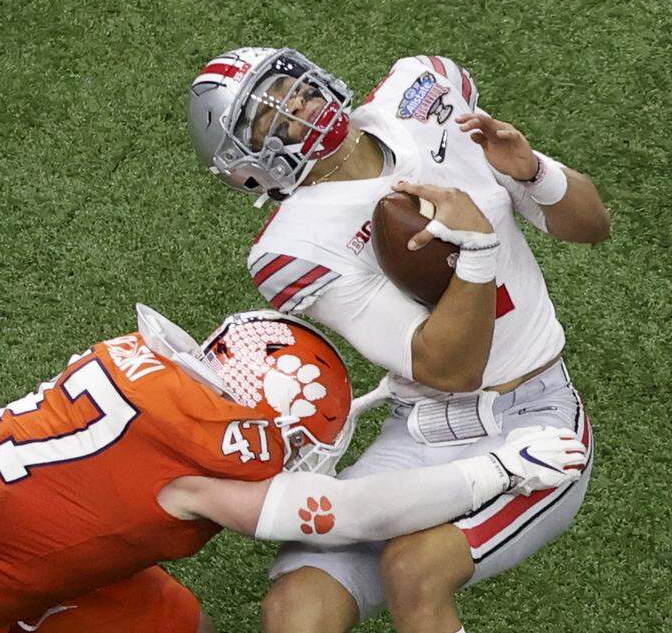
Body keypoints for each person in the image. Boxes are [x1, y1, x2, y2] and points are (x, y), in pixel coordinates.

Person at [0, 305, 587, 633]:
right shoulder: (203, 464)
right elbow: (356, 516)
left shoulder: (146, 364)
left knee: (168, 618)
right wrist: (494, 470)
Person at [188, 47, 611, 633]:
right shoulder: (292, 250)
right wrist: (478, 251)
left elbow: (593, 226)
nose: (296, 106)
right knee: (295, 606)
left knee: (413, 570)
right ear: (251, 165)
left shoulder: (423, 90)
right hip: (420, 423)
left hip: (534, 417)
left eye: (288, 87)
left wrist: (531, 170)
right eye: (269, 117)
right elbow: (446, 369)